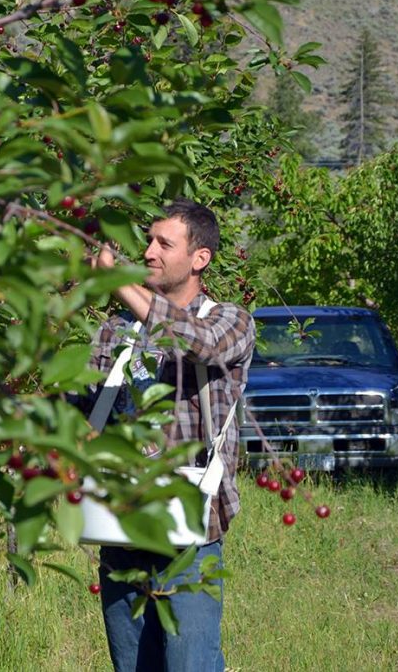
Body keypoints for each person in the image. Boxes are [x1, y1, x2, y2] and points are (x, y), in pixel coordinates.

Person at [84, 199, 255, 672]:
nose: (149, 251)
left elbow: (196, 342)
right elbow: (81, 404)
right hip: (119, 527)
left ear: (200, 258)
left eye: (165, 243)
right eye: (148, 240)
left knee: (190, 665)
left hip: (191, 537)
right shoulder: (118, 330)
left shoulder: (232, 320)